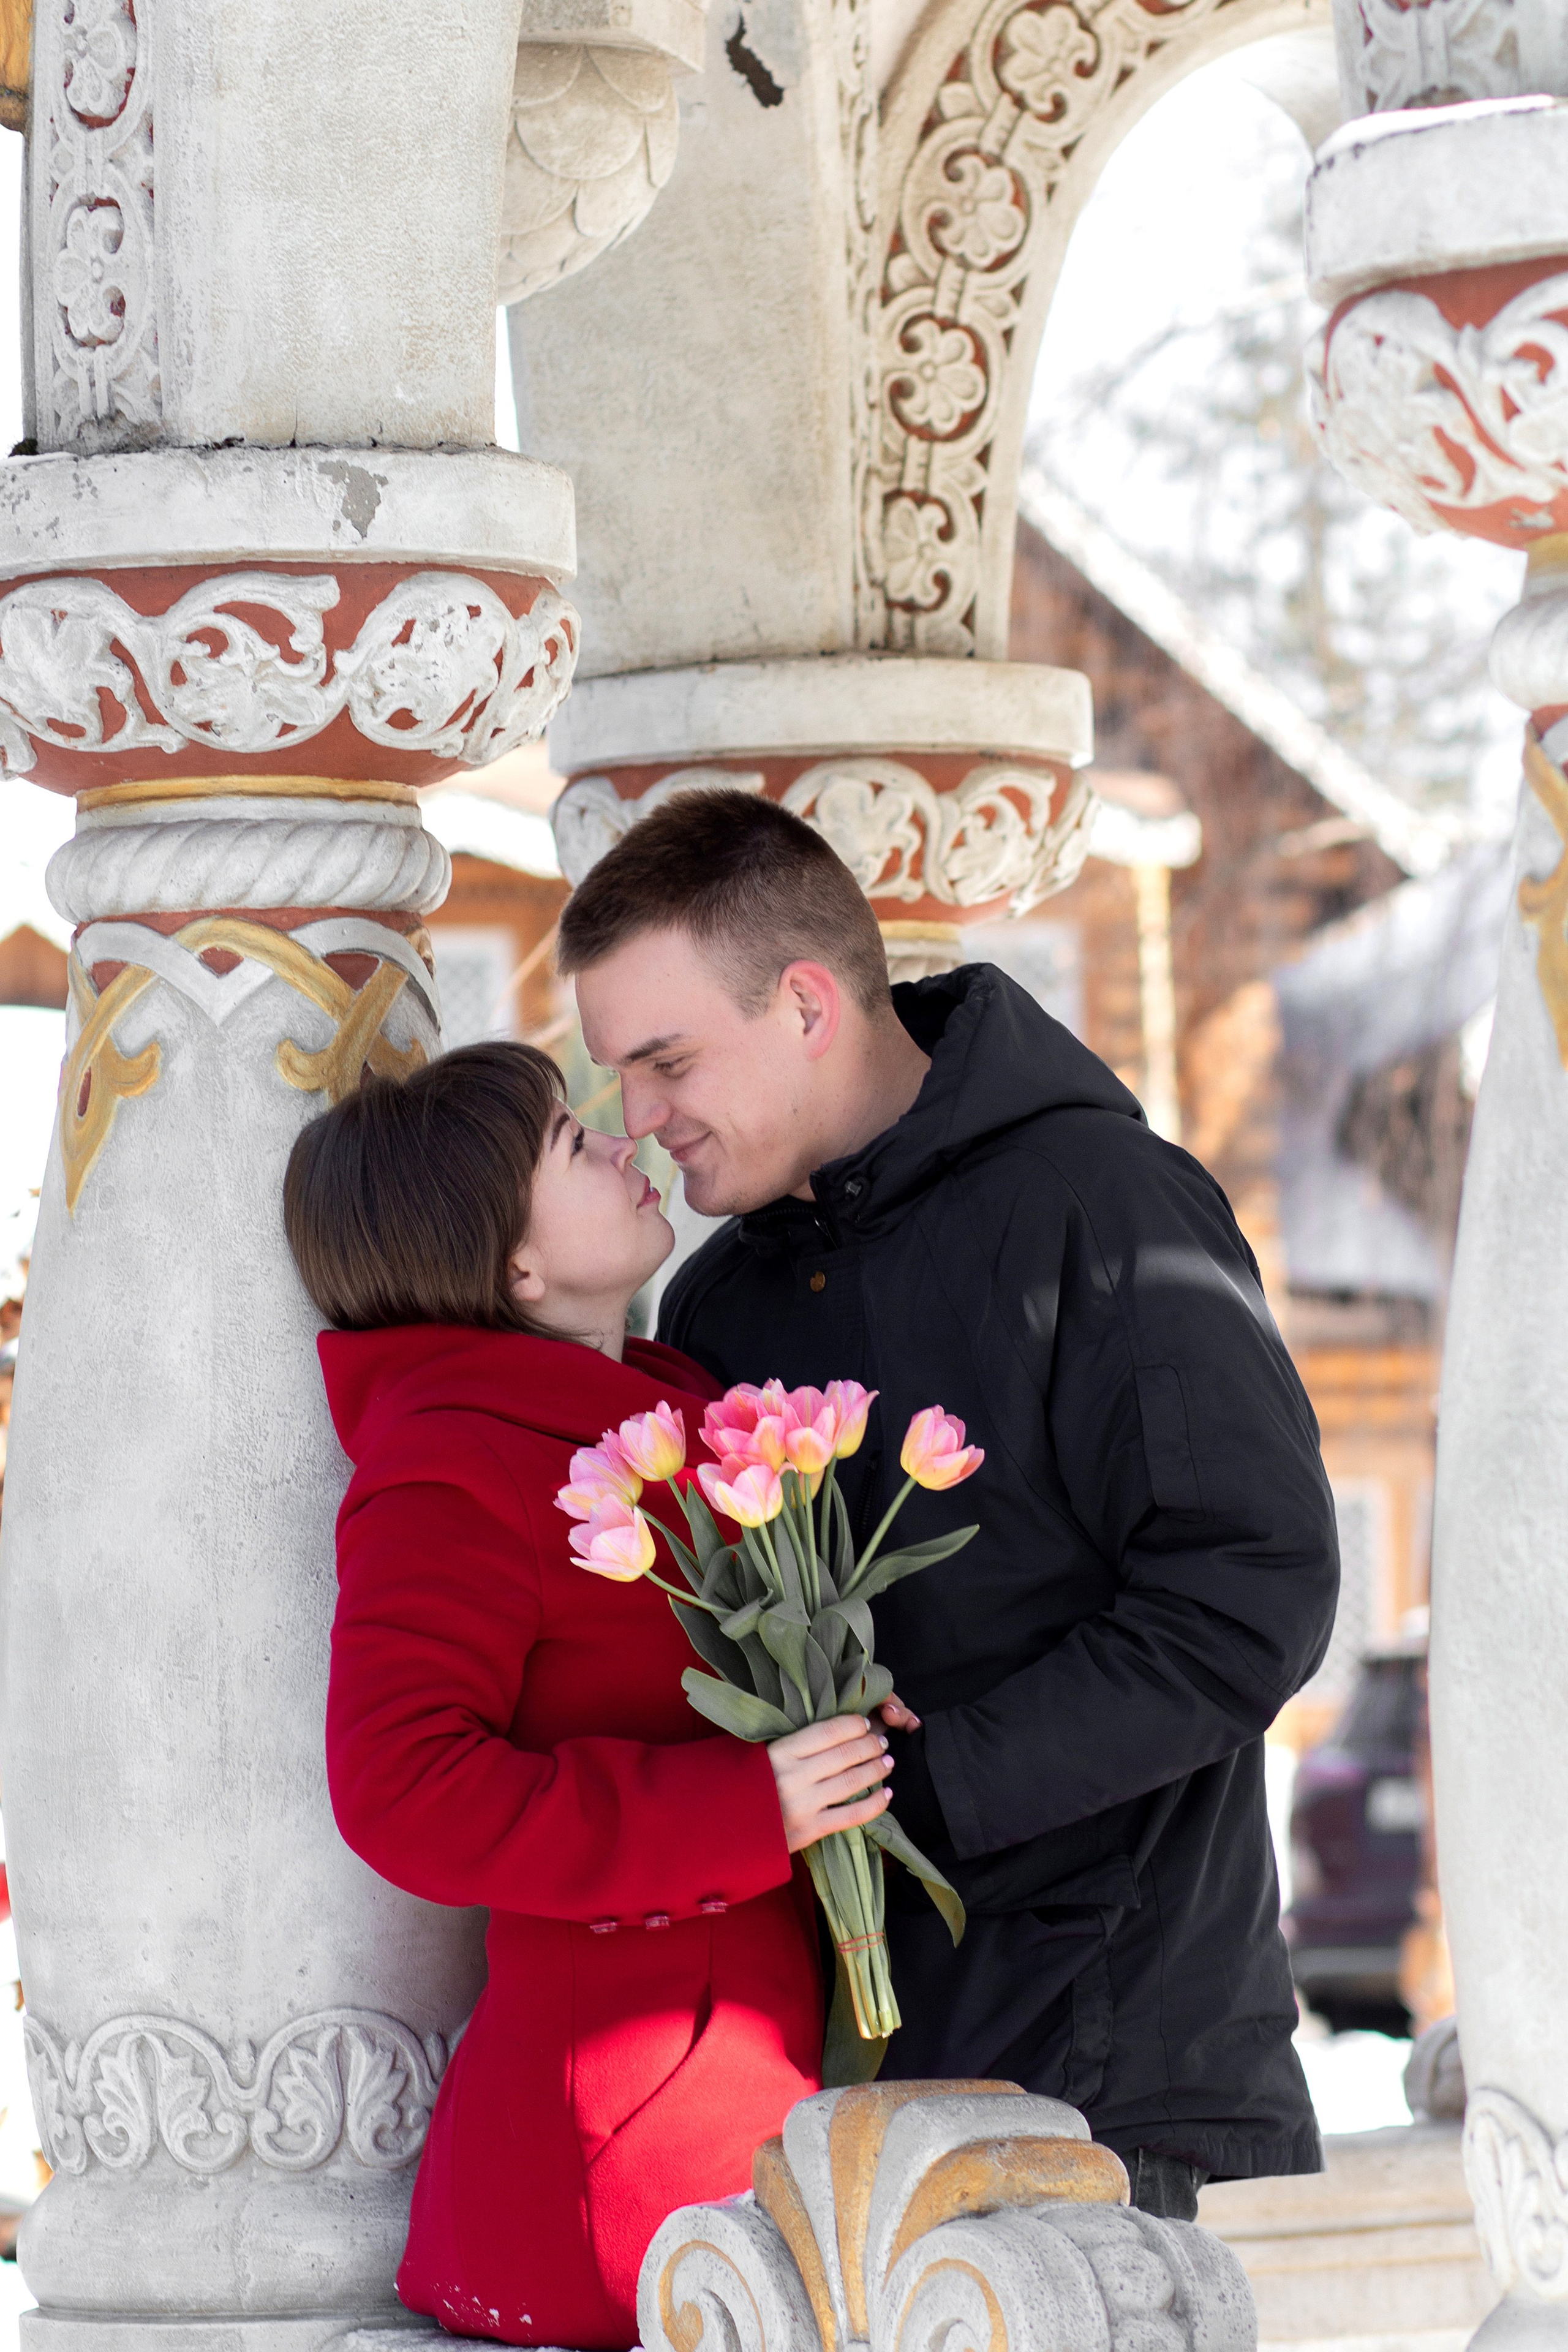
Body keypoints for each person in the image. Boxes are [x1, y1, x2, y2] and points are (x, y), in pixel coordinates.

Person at [559, 788, 1341, 2220]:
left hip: (1110, 2083)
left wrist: (920, 1789)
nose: (640, 1116)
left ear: (806, 1004)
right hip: (826, 2092)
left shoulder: (1102, 1206)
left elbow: (1247, 1593)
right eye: (619, 1076)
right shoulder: (719, 1297)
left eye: (665, 1062)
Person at [282, 1041, 895, 2349]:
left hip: (761, 2087)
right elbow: (402, 1790)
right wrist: (748, 1805)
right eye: (573, 1142)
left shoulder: (666, 1415)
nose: (625, 1143)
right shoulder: (451, 1466)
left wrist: (833, 1711)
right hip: (625, 2139)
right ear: (512, 1263)